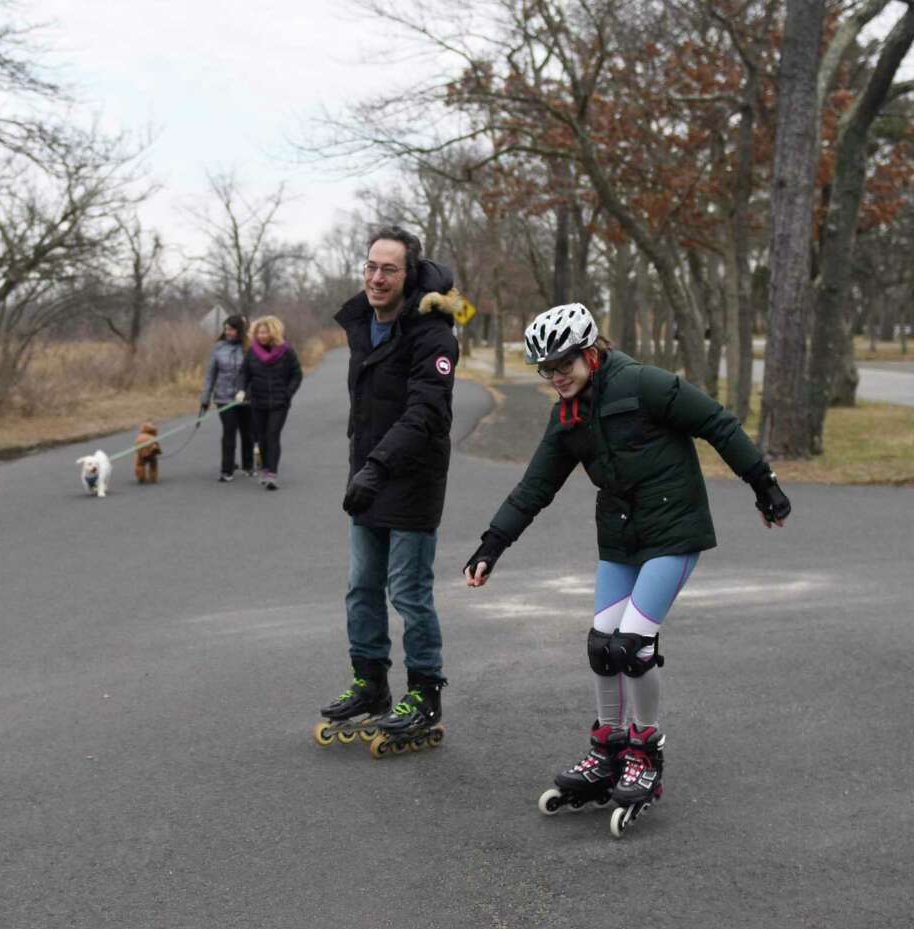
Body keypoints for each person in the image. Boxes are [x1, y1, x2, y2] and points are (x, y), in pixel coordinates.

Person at [462, 302, 791, 825]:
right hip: (619, 536)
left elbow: (717, 423)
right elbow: (534, 488)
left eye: (562, 364)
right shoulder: (567, 416)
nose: (554, 377)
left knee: (634, 643)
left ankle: (644, 751)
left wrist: (764, 484)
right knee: (602, 643)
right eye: (545, 369)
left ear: (590, 353)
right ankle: (608, 747)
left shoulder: (644, 384)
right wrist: (491, 546)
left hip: (674, 529)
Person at [317, 225, 462, 752]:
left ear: (409, 273)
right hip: (370, 476)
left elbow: (425, 412)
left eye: (389, 269)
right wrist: (365, 467)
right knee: (361, 587)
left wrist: (376, 468)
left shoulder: (433, 332)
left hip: (413, 479)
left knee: (408, 592)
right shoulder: (364, 322)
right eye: (371, 267)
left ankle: (424, 694)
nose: (377, 278)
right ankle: (370, 684)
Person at [237, 315, 302, 491]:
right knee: (262, 437)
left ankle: (272, 474)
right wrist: (242, 390)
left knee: (273, 435)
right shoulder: (252, 352)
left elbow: (297, 374)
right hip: (257, 401)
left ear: (273, 332)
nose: (262, 335)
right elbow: (244, 373)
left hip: (279, 403)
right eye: (259, 332)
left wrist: (288, 393)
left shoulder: (286, 350)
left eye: (265, 332)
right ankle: (266, 468)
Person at [199, 315, 254, 482]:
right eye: (226, 329)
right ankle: (227, 469)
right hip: (224, 397)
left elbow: (254, 372)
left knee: (247, 433)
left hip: (246, 398)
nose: (227, 332)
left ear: (239, 331)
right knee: (229, 431)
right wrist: (205, 398)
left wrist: (250, 391)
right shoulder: (218, 347)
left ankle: (248, 465)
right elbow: (211, 374)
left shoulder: (249, 347)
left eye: (231, 329)